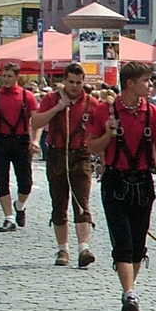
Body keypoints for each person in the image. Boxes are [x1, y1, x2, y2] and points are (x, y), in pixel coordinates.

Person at [87, 61, 156, 311]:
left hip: (143, 184)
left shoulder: (154, 114)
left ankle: (130, 288)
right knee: (123, 242)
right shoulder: (105, 110)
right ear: (130, 83)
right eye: (146, 81)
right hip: (116, 182)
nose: (150, 86)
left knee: (138, 245)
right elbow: (92, 147)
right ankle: (128, 293)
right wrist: (108, 135)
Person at [30, 64, 99, 268]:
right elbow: (35, 123)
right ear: (64, 81)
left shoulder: (92, 103)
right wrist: (58, 108)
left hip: (81, 155)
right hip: (57, 155)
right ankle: (63, 249)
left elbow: (100, 129)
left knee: (82, 202)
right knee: (59, 204)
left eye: (79, 82)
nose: (75, 86)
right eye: (71, 82)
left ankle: (83, 248)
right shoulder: (51, 99)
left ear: (83, 82)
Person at [0, 62, 35, 231]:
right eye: (4, 76)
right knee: (2, 181)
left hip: (21, 140)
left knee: (26, 183)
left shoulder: (27, 96)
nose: (6, 79)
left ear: (17, 77)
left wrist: (35, 140)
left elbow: (36, 121)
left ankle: (20, 205)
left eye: (10, 76)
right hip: (1, 141)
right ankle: (8, 218)